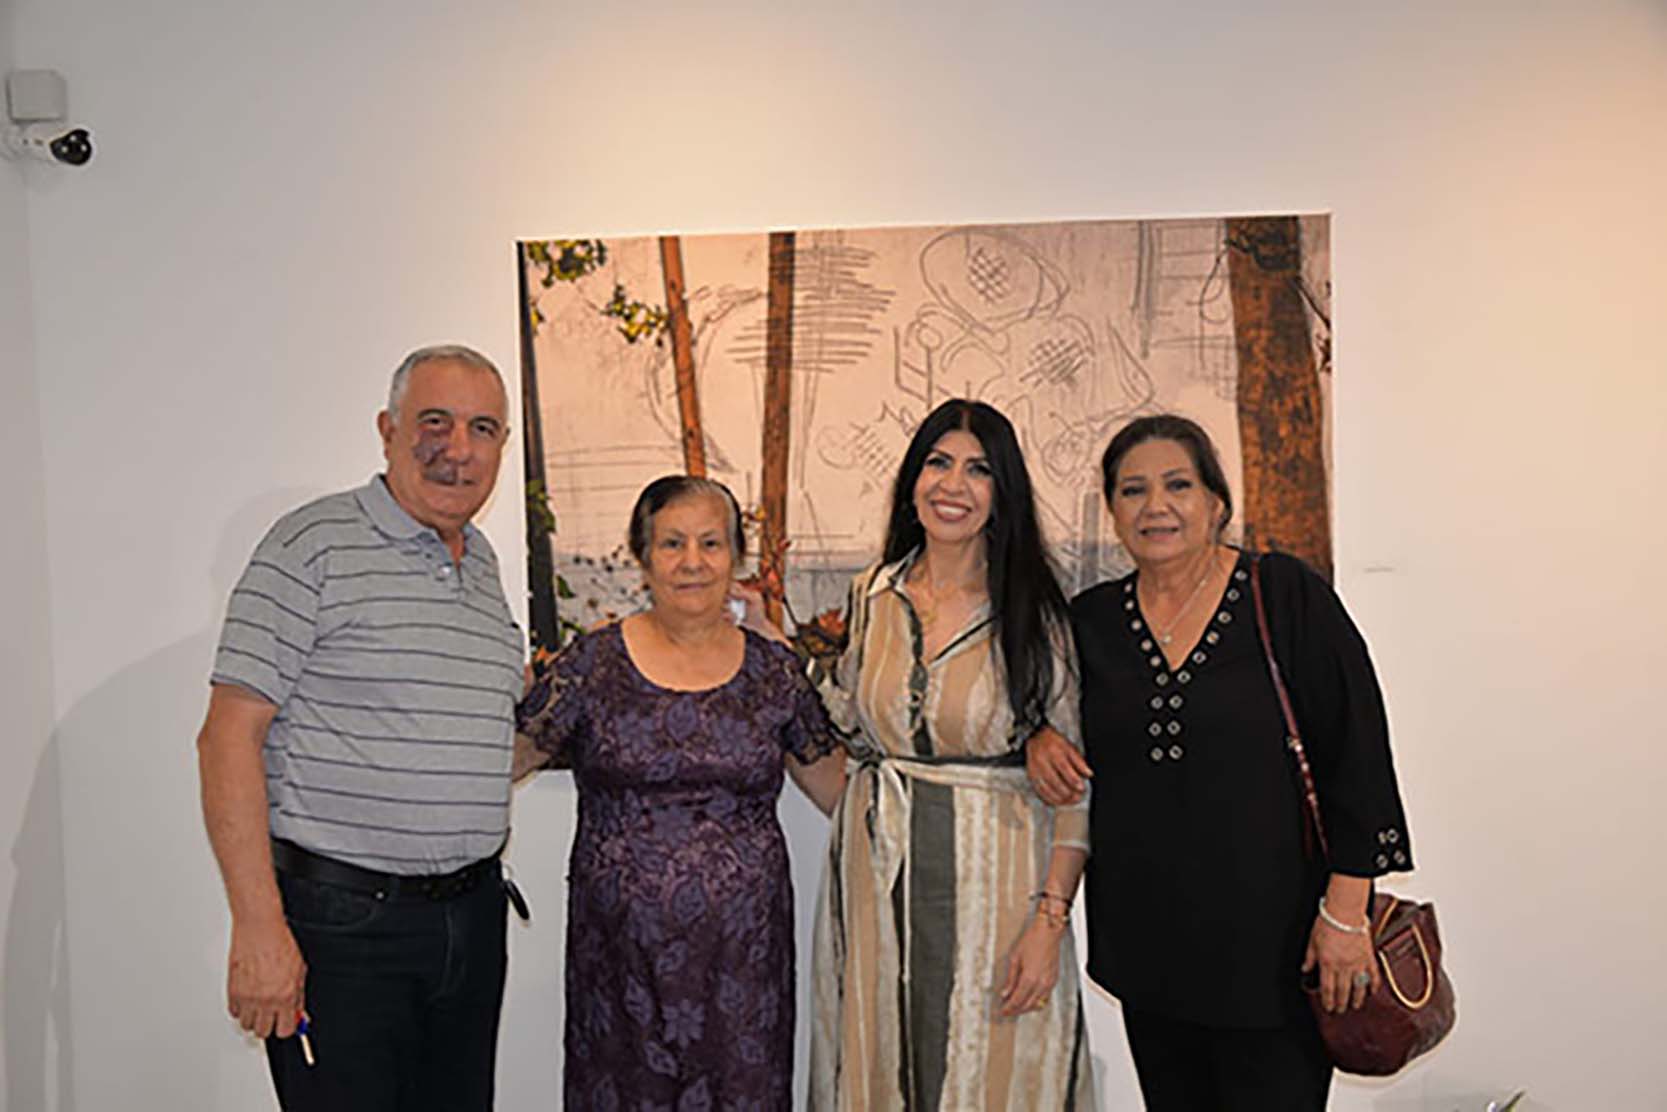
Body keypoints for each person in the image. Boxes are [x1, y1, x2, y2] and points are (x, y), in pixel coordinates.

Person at [1028, 414, 1414, 1111]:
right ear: (1112, 511)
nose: (1156, 506)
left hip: (1278, 951)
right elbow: (1043, 718)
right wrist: (1039, 737)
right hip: (1150, 950)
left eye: (1178, 485)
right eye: (1133, 490)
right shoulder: (1090, 623)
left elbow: (1355, 752)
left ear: (1215, 502)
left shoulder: (1283, 595)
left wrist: (1346, 913)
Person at [196, 344, 525, 1111]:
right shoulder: (310, 546)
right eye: (434, 421)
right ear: (387, 429)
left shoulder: (480, 565)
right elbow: (227, 738)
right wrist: (258, 928)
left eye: (482, 428)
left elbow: (465, 728)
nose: (458, 448)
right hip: (343, 933)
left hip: (471, 924)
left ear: (501, 446)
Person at [514, 474, 847, 1110]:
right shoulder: (592, 664)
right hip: (620, 965)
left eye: (710, 543)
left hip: (742, 966)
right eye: (672, 543)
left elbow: (841, 792)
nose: (692, 562)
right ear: (643, 558)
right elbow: (508, 759)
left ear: (736, 558)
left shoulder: (774, 672)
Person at [807, 399, 1094, 1110]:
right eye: (938, 463)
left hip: (998, 890)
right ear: (913, 478)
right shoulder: (870, 595)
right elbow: (845, 731)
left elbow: (1075, 792)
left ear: (1002, 493)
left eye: (978, 470)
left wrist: (1048, 924)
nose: (953, 485)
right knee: (882, 1064)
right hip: (876, 882)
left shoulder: (1035, 611)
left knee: (989, 1074)